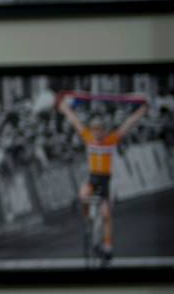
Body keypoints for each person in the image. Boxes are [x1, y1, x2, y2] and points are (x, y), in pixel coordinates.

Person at [57, 94, 149, 260]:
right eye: (94, 129)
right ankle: (87, 220)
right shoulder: (88, 138)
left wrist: (142, 110)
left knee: (106, 215)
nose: (97, 132)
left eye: (100, 129)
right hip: (93, 178)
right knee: (83, 194)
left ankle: (107, 245)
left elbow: (129, 124)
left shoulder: (111, 139)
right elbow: (74, 121)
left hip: (106, 181)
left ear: (104, 130)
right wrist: (64, 108)